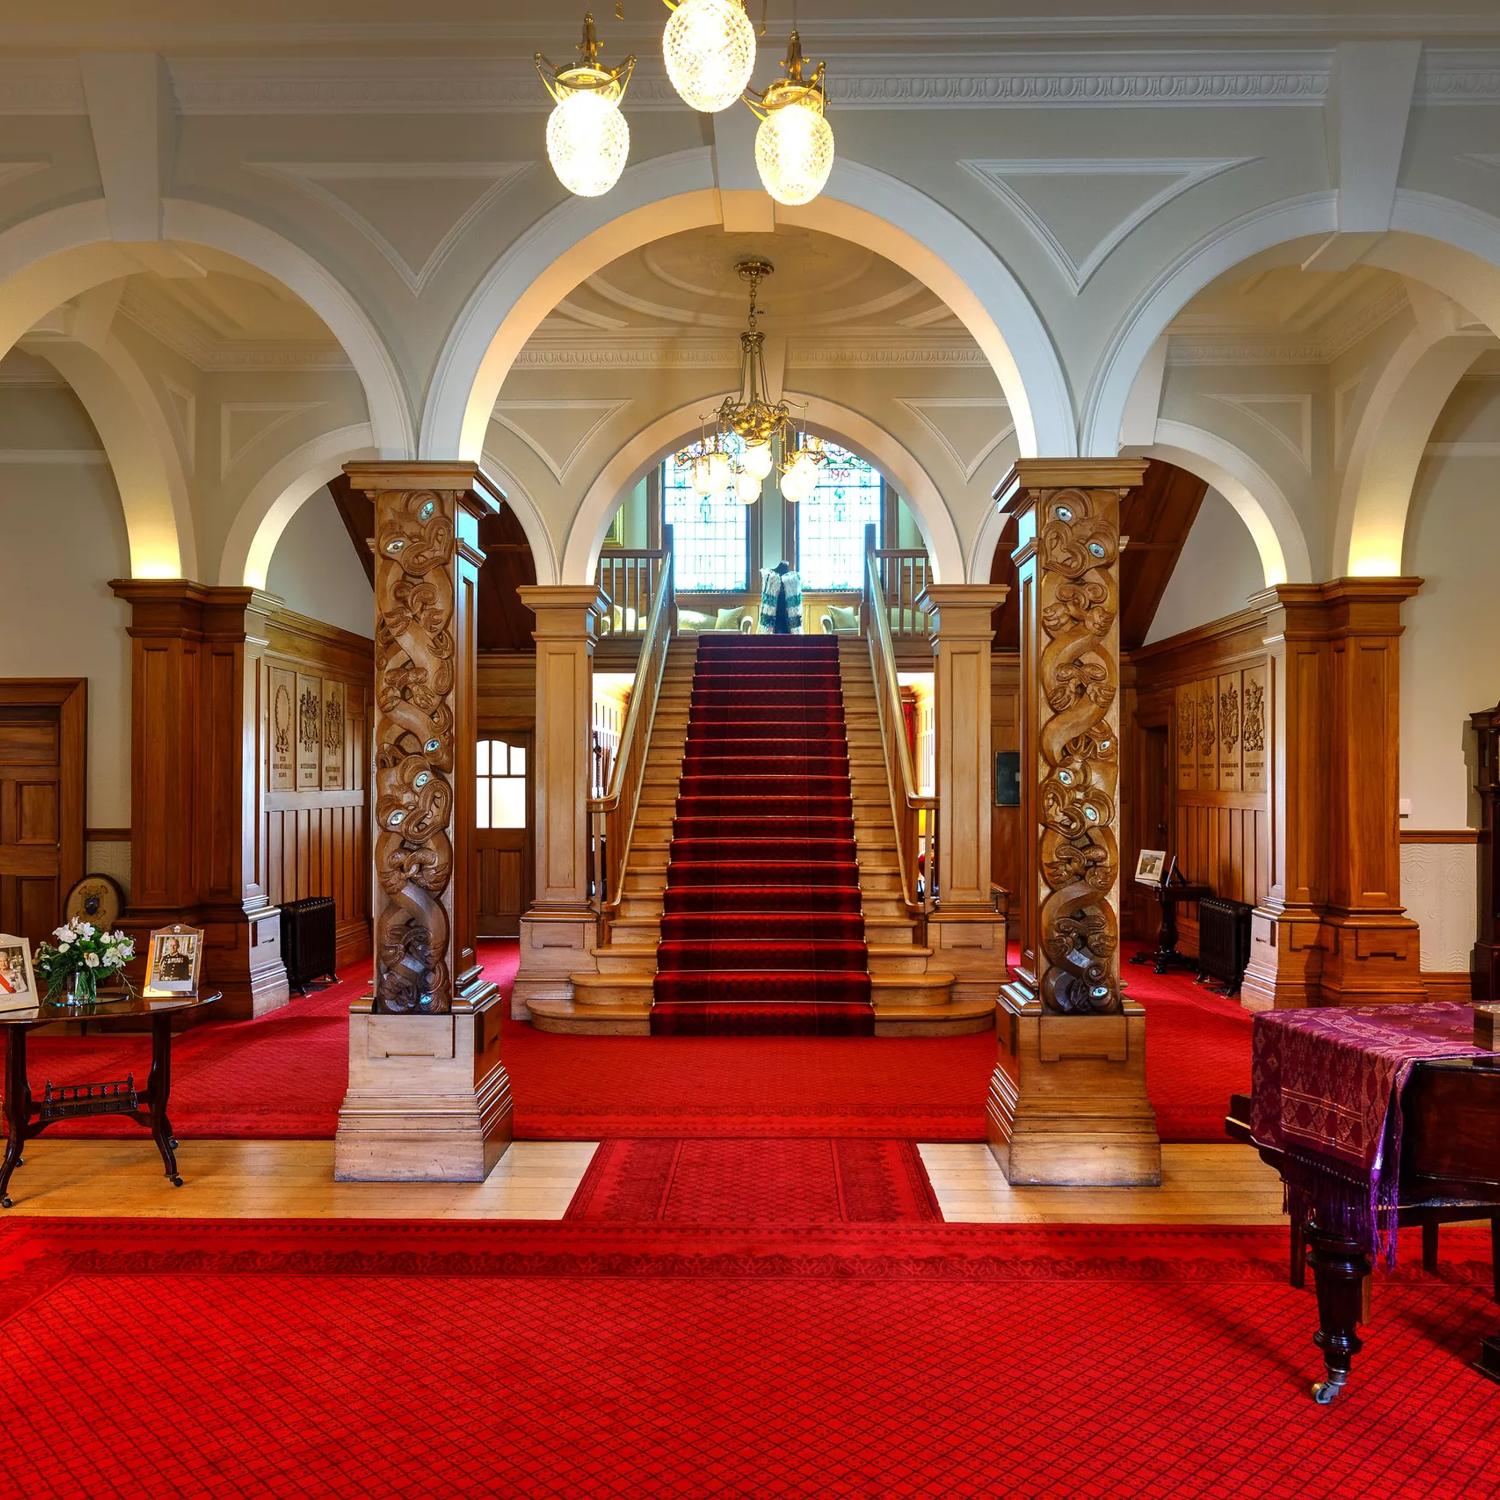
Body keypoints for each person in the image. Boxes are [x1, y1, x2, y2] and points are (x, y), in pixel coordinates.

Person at [758, 561, 803, 635]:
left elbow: (797, 603)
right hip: (774, 614)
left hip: (788, 614)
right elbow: (765, 601)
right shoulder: (770, 577)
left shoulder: (794, 578)